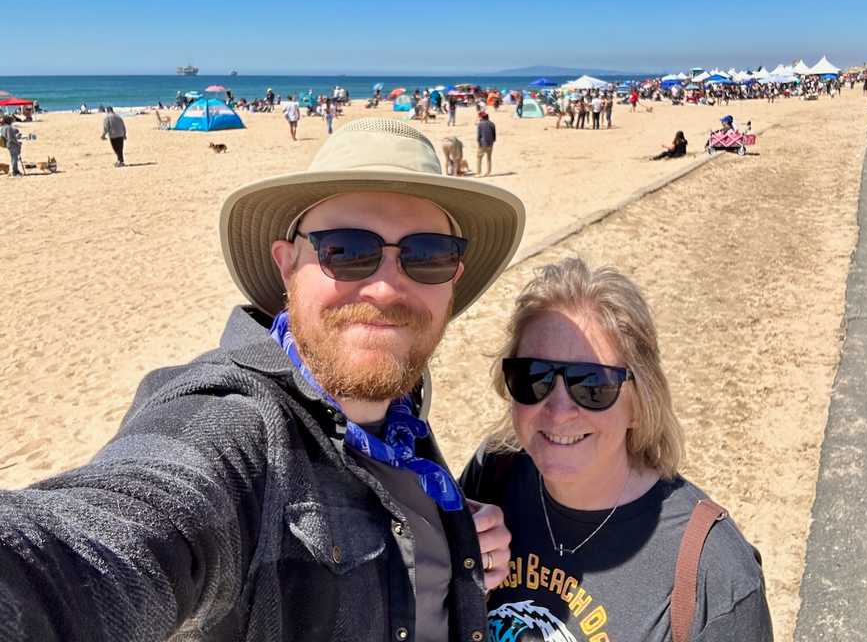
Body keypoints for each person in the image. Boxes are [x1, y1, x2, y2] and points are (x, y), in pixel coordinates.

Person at [0, 118, 524, 641]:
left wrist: (447, 543)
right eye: (345, 250)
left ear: (453, 276)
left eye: (427, 255)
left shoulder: (401, 406)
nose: (387, 289)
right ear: (286, 264)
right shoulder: (233, 424)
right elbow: (109, 536)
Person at [460, 259, 773, 641]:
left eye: (593, 385)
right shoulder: (493, 474)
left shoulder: (714, 573)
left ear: (640, 404)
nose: (558, 412)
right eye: (534, 377)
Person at [477, 110, 496, 177]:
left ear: (482, 117)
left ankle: (479, 173)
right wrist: (493, 141)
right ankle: (488, 172)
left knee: (479, 158)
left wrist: (478, 143)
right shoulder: (492, 124)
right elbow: (494, 134)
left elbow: (479, 135)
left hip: (482, 143)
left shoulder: (480, 124)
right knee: (489, 158)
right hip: (490, 143)